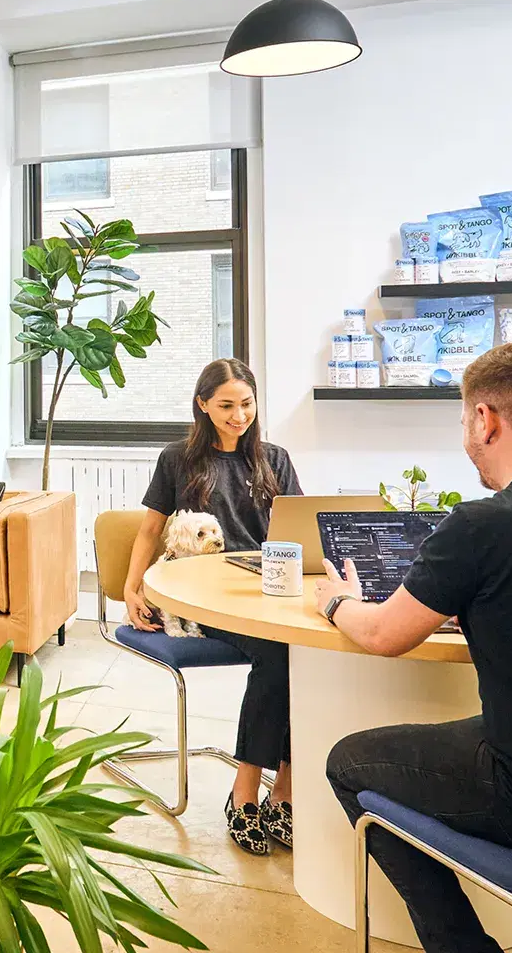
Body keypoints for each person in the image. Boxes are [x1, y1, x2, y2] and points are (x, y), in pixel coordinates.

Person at [319, 342, 512, 953]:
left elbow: (383, 634)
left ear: (485, 420)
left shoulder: (482, 524)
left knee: (348, 763)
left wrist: (336, 602)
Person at [123, 358, 302, 856]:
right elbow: (150, 530)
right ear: (202, 405)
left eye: (246, 404)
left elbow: (299, 528)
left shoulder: (275, 459)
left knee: (309, 652)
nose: (238, 416)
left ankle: (284, 789)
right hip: (202, 596)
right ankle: (246, 791)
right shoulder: (177, 459)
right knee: (279, 652)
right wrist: (132, 589)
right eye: (226, 406)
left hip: (264, 591)